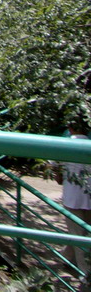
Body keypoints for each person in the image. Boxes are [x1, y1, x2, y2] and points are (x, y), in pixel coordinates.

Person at [57, 120, 91, 280]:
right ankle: (65, 257)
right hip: (89, 198)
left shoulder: (64, 145)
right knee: (82, 233)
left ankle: (85, 275)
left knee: (78, 237)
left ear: (70, 128)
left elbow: (55, 173)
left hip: (72, 198)